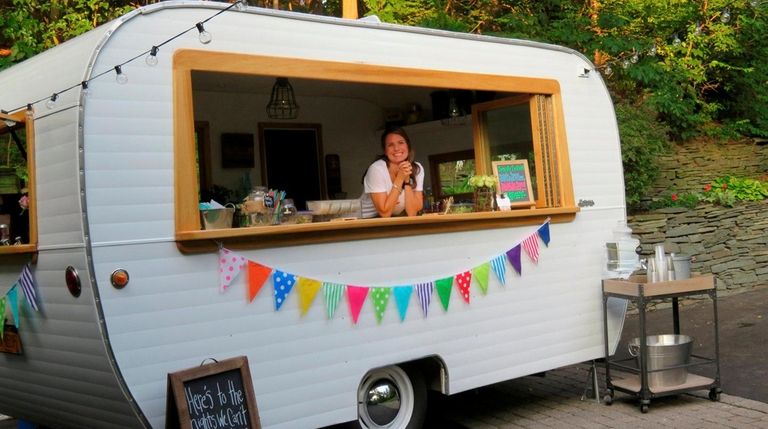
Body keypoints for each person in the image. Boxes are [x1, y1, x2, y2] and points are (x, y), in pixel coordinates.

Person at [361, 128, 424, 218]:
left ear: (408, 146)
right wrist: (400, 178)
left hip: (388, 222)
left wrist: (407, 181)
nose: (396, 148)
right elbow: (385, 213)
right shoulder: (377, 170)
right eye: (390, 145)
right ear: (385, 151)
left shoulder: (417, 169)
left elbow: (412, 213)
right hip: (364, 221)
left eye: (401, 142)